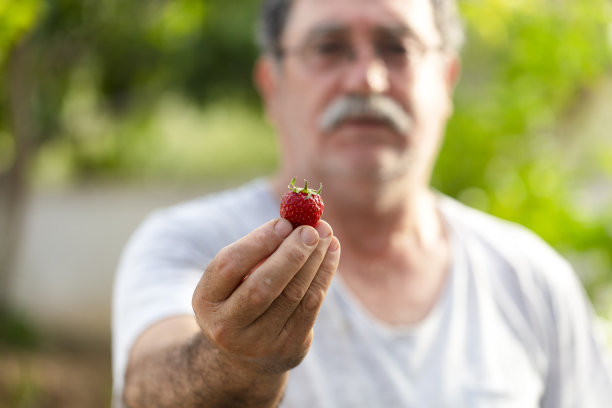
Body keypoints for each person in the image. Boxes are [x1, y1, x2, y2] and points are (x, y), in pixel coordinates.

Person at [112, 0, 612, 406]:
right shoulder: (188, 243)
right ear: (273, 86)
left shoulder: (532, 280)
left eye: (397, 48)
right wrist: (234, 364)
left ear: (447, 81)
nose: (366, 80)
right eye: (328, 48)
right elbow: (148, 386)